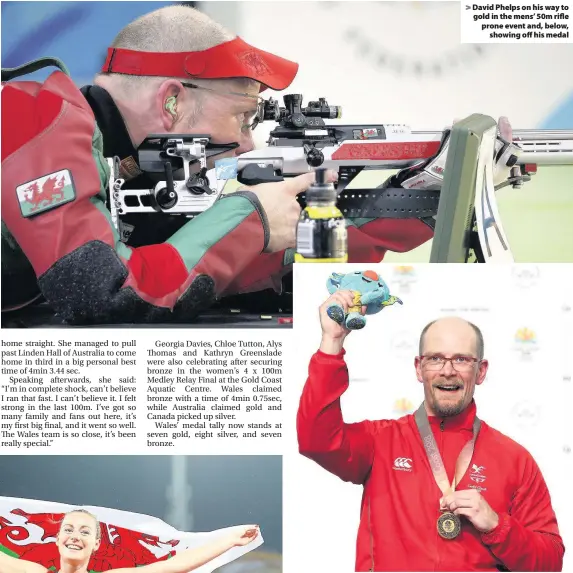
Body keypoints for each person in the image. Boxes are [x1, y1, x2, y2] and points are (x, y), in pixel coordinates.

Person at [1, 5, 514, 324]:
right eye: (244, 117)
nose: (247, 144)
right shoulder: (37, 114)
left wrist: (434, 191)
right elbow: (101, 294)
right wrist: (248, 216)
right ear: (173, 100)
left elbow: (243, 267)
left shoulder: (112, 153)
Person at [297, 290, 564, 572]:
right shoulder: (381, 442)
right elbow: (316, 440)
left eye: (461, 359)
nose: (447, 370)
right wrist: (332, 342)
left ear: (481, 371)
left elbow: (550, 562)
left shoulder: (515, 459)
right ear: (419, 368)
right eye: (436, 358)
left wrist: (498, 526)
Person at [0, 509, 259, 573]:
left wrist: (229, 540)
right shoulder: (32, 570)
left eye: (85, 532)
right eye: (68, 529)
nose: (75, 536)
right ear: (57, 539)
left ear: (97, 544)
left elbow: (169, 567)